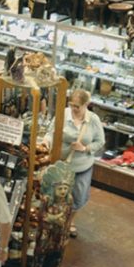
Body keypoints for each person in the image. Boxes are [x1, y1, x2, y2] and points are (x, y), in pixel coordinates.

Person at [41, 89, 104, 238]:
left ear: (86, 105)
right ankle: (53, 219)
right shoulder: (63, 114)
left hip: (82, 166)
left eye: (77, 106)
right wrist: (46, 141)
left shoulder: (93, 120)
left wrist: (85, 148)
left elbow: (100, 141)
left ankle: (69, 222)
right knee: (54, 194)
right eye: (71, 104)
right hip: (61, 164)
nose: (74, 109)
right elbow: (51, 133)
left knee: (78, 196)